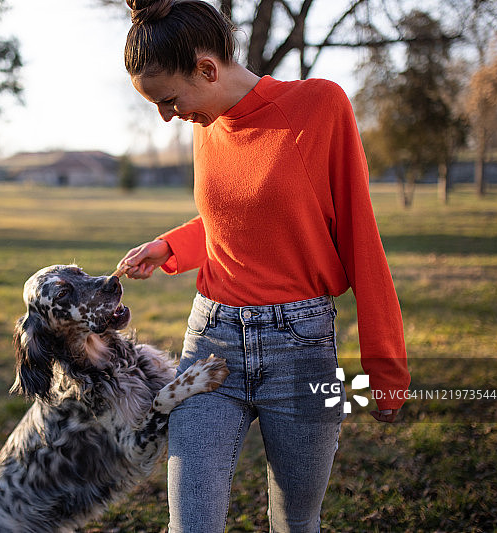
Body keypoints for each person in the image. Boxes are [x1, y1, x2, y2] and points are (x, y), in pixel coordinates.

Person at [116, 1, 411, 532]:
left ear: (207, 69)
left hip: (300, 350)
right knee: (190, 523)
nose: (167, 115)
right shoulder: (205, 121)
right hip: (211, 344)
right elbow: (238, 219)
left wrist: (384, 367)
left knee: (295, 522)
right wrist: (171, 246)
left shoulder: (319, 107)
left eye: (169, 100)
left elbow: (359, 237)